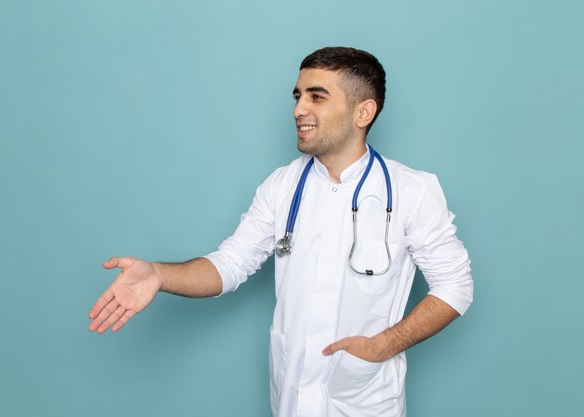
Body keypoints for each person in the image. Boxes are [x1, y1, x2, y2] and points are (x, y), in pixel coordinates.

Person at [88, 46, 473, 417]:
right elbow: (230, 264)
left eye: (316, 97)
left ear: (363, 112)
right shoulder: (282, 185)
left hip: (365, 397)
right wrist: (158, 274)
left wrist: (381, 346)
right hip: (292, 394)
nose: (298, 110)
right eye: (298, 96)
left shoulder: (412, 191)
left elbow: (456, 286)